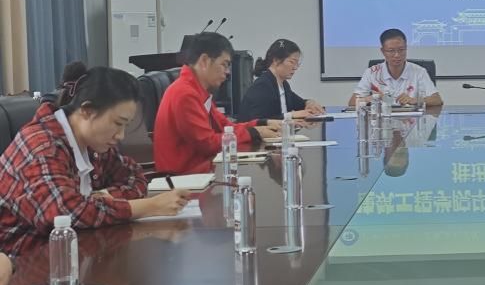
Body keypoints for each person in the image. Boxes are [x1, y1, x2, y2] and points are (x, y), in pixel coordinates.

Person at [0, 64, 191, 258]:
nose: (120, 135)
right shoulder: (41, 145)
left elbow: (135, 177)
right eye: (117, 123)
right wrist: (150, 206)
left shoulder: (92, 143)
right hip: (23, 263)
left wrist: (100, 197)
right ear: (87, 111)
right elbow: (64, 214)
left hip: (75, 254)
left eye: (125, 126)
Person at [153, 33, 281, 175]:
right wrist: (254, 133)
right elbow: (207, 144)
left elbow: (226, 127)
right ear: (204, 61)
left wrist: (262, 123)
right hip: (184, 178)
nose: (227, 72)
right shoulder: (185, 93)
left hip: (201, 170)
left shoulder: (197, 90)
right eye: (224, 64)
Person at [348, 28, 443, 108]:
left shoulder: (419, 71)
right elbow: (352, 103)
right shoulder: (372, 72)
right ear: (383, 51)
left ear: (406, 48)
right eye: (391, 51)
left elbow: (437, 100)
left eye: (401, 50)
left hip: (411, 122)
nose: (397, 55)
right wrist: (373, 98)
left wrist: (415, 100)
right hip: (382, 122)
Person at [239, 39, 325, 121]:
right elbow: (259, 121)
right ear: (276, 60)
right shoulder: (262, 85)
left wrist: (309, 102)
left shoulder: (284, 85)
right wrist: (291, 115)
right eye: (292, 62)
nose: (295, 67)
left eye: (297, 63)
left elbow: (299, 103)